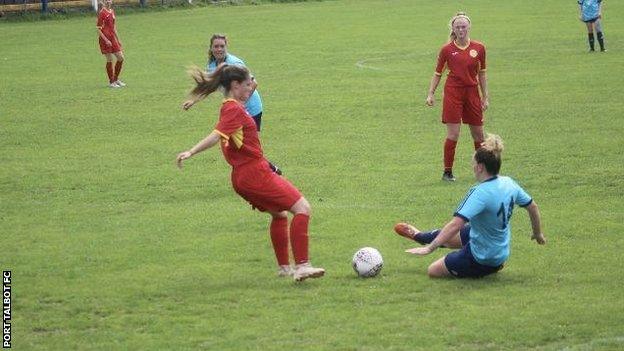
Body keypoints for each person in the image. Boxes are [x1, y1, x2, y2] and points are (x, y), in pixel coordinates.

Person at [176, 64, 325, 282]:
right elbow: (215, 136)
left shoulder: (233, 105)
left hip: (246, 174)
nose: (250, 88)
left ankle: (285, 268)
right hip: (254, 174)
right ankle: (302, 266)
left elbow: (238, 136)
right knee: (302, 208)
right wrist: (191, 151)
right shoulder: (233, 109)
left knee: (279, 214)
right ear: (235, 85)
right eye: (246, 85)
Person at [393, 134, 546, 278]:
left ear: (480, 167)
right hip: (499, 250)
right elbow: (532, 207)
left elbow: (456, 224)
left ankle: (430, 244)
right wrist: (537, 233)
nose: (472, 167)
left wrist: (429, 249)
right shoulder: (509, 183)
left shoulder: (480, 193)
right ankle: (420, 236)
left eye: (473, 163)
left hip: (482, 258)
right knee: (454, 235)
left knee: (433, 270)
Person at [202, 34, 281, 175]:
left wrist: (241, 103)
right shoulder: (212, 65)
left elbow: (253, 83)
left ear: (226, 47)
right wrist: (193, 100)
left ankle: (269, 171)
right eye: (216, 46)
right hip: (235, 109)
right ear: (211, 48)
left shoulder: (235, 63)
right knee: (238, 146)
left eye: (222, 46)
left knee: (249, 148)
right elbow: (210, 86)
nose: (219, 49)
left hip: (251, 108)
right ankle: (268, 170)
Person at [426, 12, 489, 182]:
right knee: (453, 134)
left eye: (463, 26)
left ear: (469, 27)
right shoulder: (447, 50)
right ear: (453, 29)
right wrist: (431, 93)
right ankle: (447, 172)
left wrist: (485, 97)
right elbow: (438, 73)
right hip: (453, 93)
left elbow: (482, 74)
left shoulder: (479, 48)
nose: (461, 29)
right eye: (457, 27)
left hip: (472, 93)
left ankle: (482, 172)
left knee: (479, 135)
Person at [97, 0, 126, 88]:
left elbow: (113, 27)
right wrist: (106, 40)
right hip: (105, 39)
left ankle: (116, 79)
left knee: (121, 57)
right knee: (110, 59)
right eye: (106, 0)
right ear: (104, 2)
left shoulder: (112, 11)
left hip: (112, 38)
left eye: (109, 0)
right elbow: (98, 29)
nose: (108, 1)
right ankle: (111, 82)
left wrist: (118, 39)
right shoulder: (102, 13)